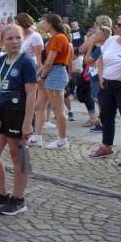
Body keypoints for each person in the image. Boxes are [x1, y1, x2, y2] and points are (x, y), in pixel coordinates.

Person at [0, 24, 37, 215]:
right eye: (10, 38)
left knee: (18, 156)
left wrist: (27, 122)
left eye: (18, 37)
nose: (15, 41)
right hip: (2, 111)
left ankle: (18, 199)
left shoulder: (26, 62)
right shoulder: (2, 60)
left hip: (18, 113)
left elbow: (32, 94)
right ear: (2, 41)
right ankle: (1, 194)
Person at [30, 14, 72, 149]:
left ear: (51, 24)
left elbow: (49, 61)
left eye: (44, 22)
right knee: (39, 106)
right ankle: (37, 137)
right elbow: (47, 62)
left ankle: (62, 140)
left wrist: (42, 76)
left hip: (55, 73)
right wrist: (40, 75)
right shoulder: (55, 38)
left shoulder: (58, 38)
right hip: (51, 72)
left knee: (58, 109)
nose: (42, 25)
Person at [89, 14, 121, 166]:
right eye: (116, 24)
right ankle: (106, 146)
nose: (116, 27)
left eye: (119, 25)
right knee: (105, 116)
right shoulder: (111, 40)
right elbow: (100, 58)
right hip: (107, 84)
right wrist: (101, 77)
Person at [84, 26, 110, 131]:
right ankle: (102, 122)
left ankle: (103, 124)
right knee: (100, 101)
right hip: (98, 77)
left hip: (97, 78)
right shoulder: (106, 47)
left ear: (104, 36)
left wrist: (90, 46)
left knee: (99, 101)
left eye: (97, 34)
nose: (94, 36)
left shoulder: (100, 49)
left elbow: (87, 60)